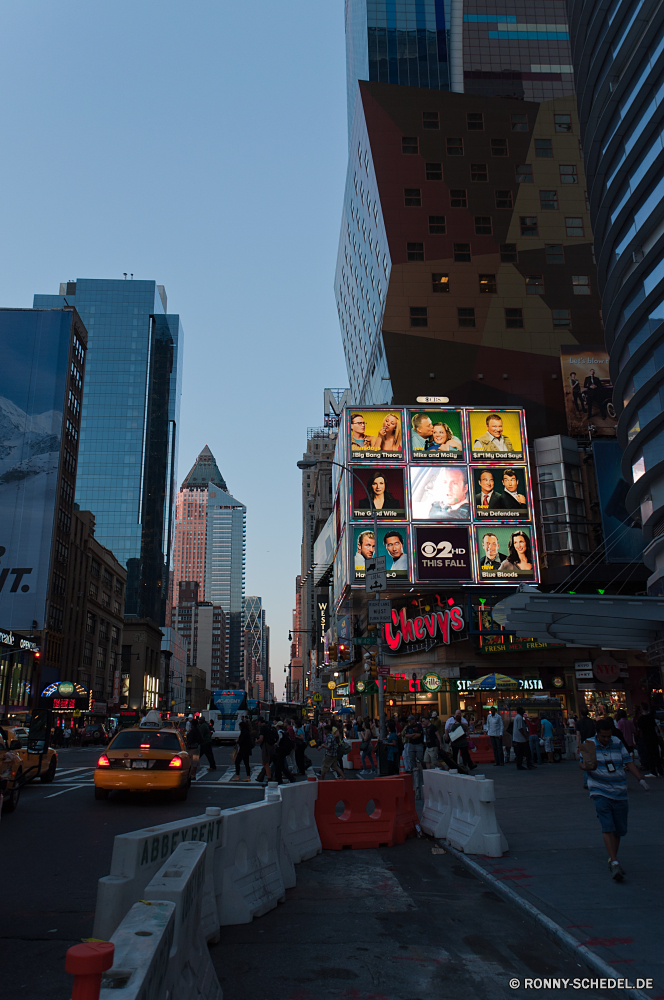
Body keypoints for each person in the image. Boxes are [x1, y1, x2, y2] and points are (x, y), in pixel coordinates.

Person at [580, 716, 649, 881]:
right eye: (603, 736)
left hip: (619, 790)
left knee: (619, 829)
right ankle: (615, 862)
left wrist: (640, 778)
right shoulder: (589, 744)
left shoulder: (617, 742)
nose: (606, 739)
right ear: (597, 734)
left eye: (608, 736)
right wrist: (588, 766)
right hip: (599, 790)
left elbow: (628, 762)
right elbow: (582, 764)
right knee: (607, 826)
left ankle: (612, 859)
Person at [637, 702, 664, 777]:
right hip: (654, 737)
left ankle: (653, 771)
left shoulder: (642, 718)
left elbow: (639, 728)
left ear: (642, 709)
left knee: (650, 754)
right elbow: (655, 727)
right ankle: (660, 770)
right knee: (656, 754)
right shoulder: (651, 717)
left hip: (647, 738)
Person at [256, 715, 277, 783]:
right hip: (271, 746)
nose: (258, 724)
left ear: (259, 722)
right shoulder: (269, 726)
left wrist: (256, 741)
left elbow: (261, 739)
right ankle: (263, 777)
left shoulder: (262, 728)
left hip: (266, 747)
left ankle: (269, 778)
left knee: (266, 763)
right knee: (265, 762)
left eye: (258, 722)